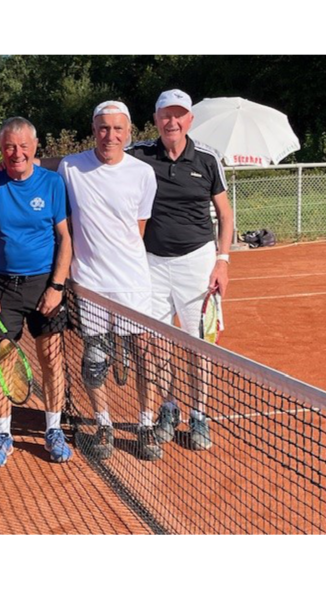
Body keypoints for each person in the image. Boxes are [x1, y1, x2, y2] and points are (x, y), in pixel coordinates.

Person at [125, 89, 235, 451]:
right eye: (165, 115)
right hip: (151, 263)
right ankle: (169, 408)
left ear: (189, 119)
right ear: (156, 120)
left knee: (198, 344)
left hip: (198, 262)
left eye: (178, 115)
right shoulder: (138, 155)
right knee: (156, 344)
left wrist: (222, 261)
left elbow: (225, 215)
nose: (172, 122)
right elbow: (102, 162)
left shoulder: (207, 159)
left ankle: (199, 414)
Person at [57, 100, 162, 461]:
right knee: (94, 359)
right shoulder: (71, 167)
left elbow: (138, 228)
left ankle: (145, 424)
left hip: (133, 282)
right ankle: (103, 424)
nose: (110, 136)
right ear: (93, 130)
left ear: (128, 132)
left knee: (144, 355)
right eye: (104, 128)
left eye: (118, 129)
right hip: (90, 283)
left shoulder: (143, 174)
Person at [0, 116, 74, 468]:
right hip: (2, 288)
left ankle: (54, 430)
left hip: (44, 285)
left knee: (52, 359)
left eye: (23, 146)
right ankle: (2, 435)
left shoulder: (52, 183)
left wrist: (56, 287)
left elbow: (64, 237)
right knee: (4, 363)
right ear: (1, 149)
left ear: (35, 147)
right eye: (9, 147)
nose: (17, 153)